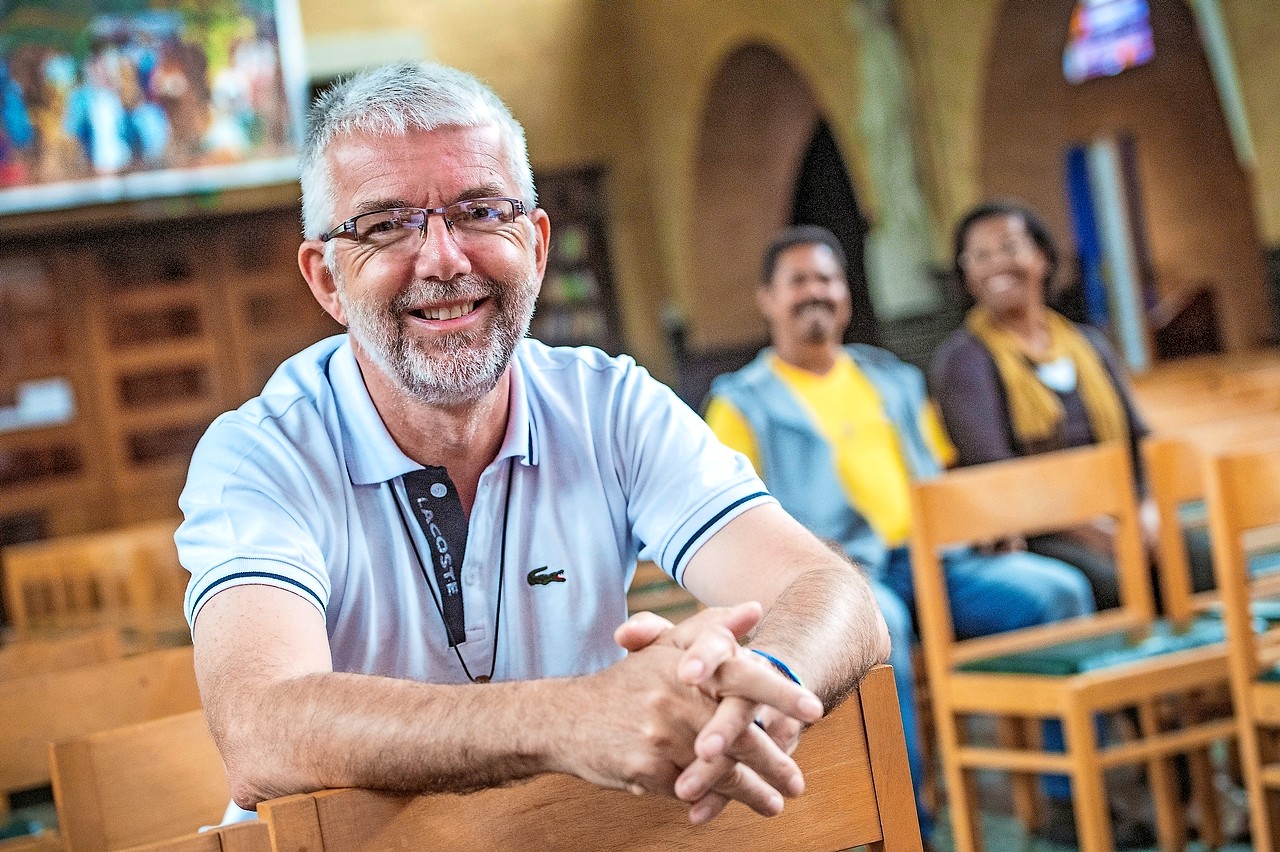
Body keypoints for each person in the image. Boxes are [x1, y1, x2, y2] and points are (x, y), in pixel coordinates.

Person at [176, 62, 891, 829]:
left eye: (481, 211)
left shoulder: (609, 405)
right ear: (326, 280)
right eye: (385, 224)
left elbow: (836, 596)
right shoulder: (260, 453)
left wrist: (757, 686)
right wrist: (570, 718)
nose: (446, 259)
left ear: (538, 244)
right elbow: (261, 729)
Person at [703, 224, 1095, 842]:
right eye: (798, 281)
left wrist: (982, 524)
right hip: (839, 577)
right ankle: (908, 822)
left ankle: (1071, 801)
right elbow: (732, 522)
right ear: (768, 300)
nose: (815, 292)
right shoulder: (741, 402)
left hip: (939, 560)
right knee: (883, 631)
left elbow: (942, 474)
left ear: (847, 295)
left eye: (827, 279)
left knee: (1056, 592)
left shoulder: (892, 378)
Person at [929, 198, 1214, 609]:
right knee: (1113, 582)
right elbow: (997, 471)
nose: (995, 265)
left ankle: (1217, 673)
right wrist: (1095, 530)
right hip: (1042, 530)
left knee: (1200, 556)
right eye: (979, 256)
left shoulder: (1089, 343)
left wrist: (1148, 510)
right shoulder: (964, 360)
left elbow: (1141, 440)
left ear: (1041, 257)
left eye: (1010, 247)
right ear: (966, 275)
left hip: (1125, 511)